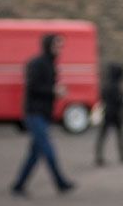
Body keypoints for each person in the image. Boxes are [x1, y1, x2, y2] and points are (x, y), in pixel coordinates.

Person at [10, 34, 75, 196]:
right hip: (34, 113)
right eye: (57, 46)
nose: (59, 49)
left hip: (45, 113)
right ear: (48, 46)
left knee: (35, 153)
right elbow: (32, 87)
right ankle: (60, 182)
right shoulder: (36, 63)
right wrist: (53, 90)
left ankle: (18, 185)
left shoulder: (52, 65)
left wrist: (56, 91)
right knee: (47, 149)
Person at [95, 62, 123, 166]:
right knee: (119, 135)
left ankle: (99, 156)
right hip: (115, 113)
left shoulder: (106, 84)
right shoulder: (116, 86)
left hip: (107, 112)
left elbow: (102, 97)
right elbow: (119, 100)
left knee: (103, 135)